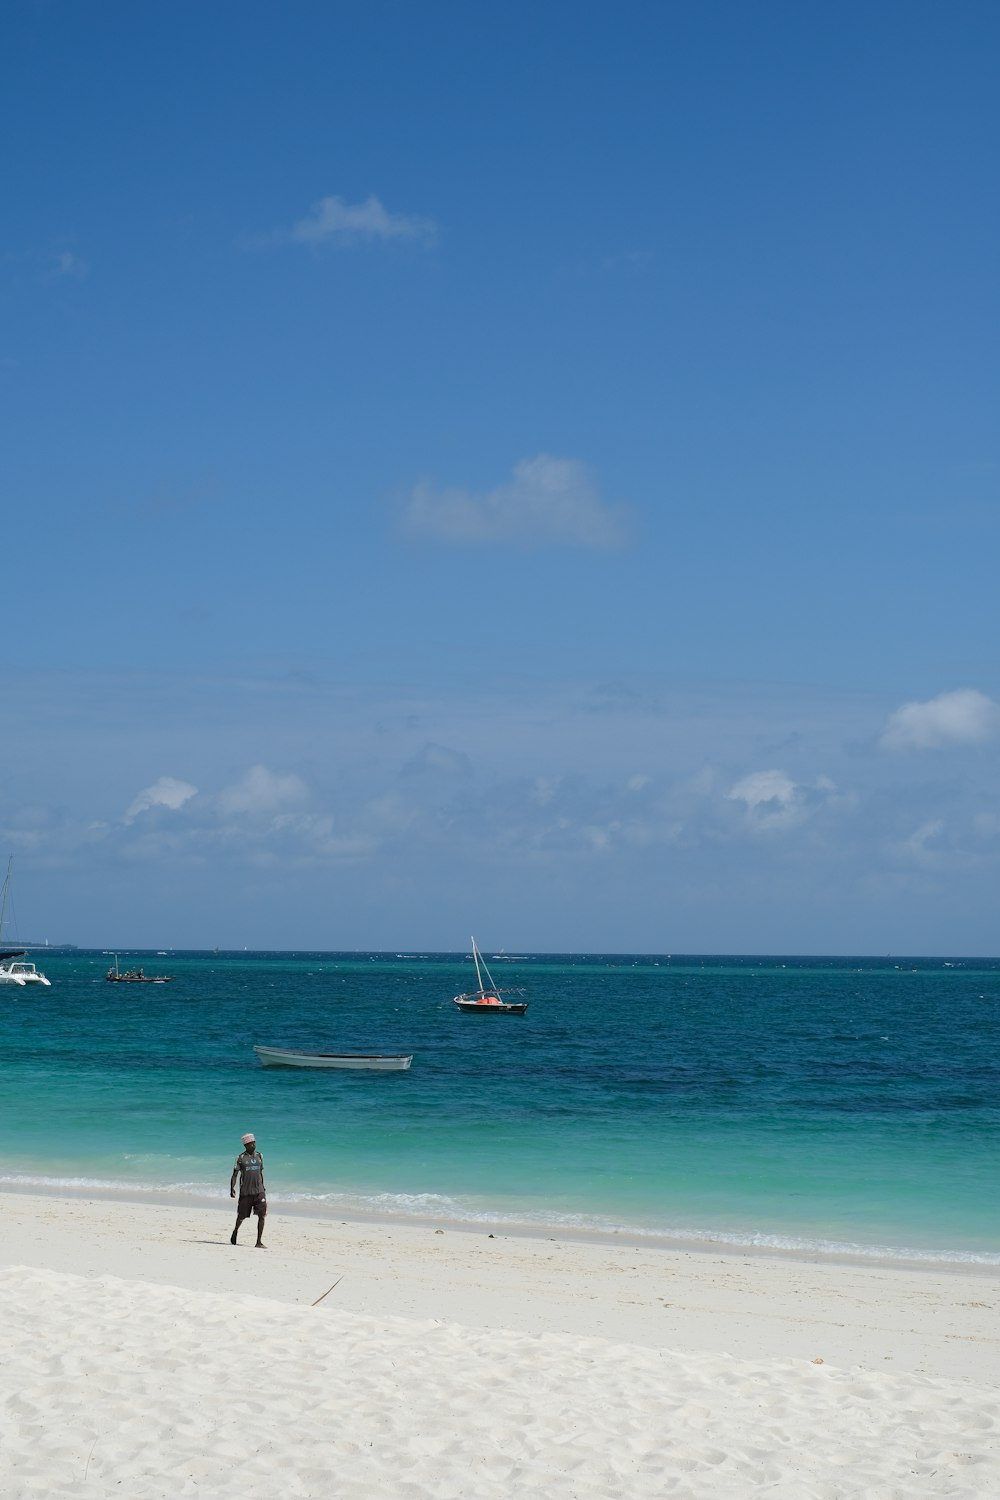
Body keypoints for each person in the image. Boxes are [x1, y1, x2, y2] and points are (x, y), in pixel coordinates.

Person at [230, 1132, 266, 1247]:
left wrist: (263, 1187)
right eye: (250, 1144)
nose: (253, 1145)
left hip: (259, 1192)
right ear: (245, 1145)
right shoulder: (240, 1158)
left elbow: (260, 1173)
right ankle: (235, 1231)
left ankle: (258, 1242)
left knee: (262, 1215)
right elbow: (235, 1175)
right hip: (246, 1193)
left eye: (254, 1143)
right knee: (241, 1217)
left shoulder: (260, 1156)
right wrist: (232, 1188)